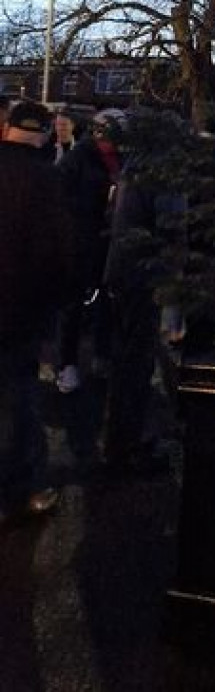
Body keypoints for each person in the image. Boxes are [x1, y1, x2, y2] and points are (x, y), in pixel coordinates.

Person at [101, 114, 187, 477]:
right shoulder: (162, 171)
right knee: (134, 366)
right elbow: (170, 228)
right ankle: (125, 450)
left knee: (126, 363)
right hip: (142, 279)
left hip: (122, 274)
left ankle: (120, 441)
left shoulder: (136, 165)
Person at [0, 99, 73, 524]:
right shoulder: (46, 181)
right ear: (44, 132)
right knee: (17, 401)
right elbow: (58, 256)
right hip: (19, 313)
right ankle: (19, 489)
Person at [53, 108, 124, 394]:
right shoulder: (76, 159)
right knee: (71, 305)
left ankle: (101, 354)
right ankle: (66, 363)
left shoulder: (121, 157)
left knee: (107, 301)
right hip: (81, 240)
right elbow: (58, 197)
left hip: (109, 240)